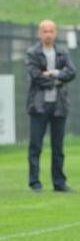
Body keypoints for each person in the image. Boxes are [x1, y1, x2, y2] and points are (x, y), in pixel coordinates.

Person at [26, 19, 76, 192]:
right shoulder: (32, 52)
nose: (48, 34)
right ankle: (34, 182)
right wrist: (57, 81)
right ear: (40, 33)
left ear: (55, 33)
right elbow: (35, 75)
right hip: (38, 106)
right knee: (35, 146)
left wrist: (53, 73)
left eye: (51, 31)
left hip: (59, 106)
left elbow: (71, 72)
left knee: (58, 147)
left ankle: (59, 183)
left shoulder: (62, 52)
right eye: (45, 31)